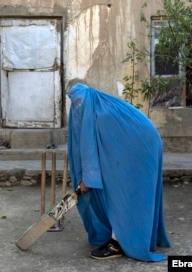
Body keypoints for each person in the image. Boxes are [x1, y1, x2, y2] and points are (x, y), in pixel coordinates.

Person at [67, 83, 171, 261]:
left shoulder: (100, 113)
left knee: (124, 194)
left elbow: (90, 150)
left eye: (79, 101)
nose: (77, 106)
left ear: (88, 97)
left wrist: (88, 180)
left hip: (141, 147)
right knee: (120, 191)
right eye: (74, 103)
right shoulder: (99, 105)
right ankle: (129, 236)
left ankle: (119, 243)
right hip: (139, 141)